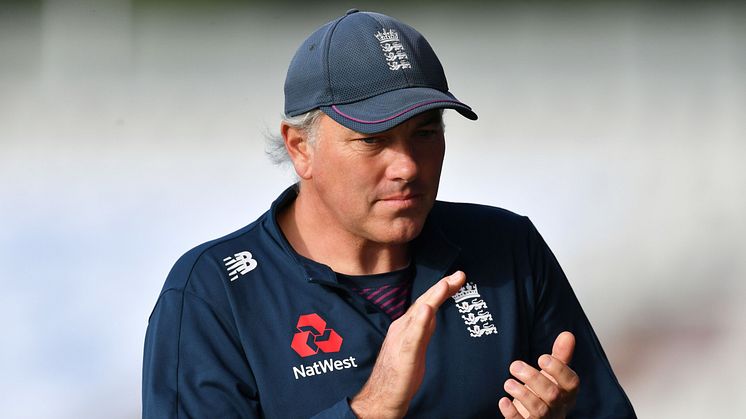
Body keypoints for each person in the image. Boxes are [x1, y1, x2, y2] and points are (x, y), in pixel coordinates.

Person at [142, 9, 636, 419]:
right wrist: (369, 409)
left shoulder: (506, 249)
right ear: (300, 148)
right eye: (372, 140)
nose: (406, 166)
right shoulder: (212, 293)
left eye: (425, 133)